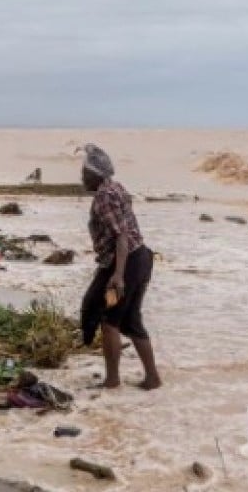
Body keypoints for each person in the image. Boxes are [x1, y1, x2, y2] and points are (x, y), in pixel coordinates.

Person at [79, 143, 161, 390]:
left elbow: (122, 237)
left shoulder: (104, 197)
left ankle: (112, 381)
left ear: (96, 174)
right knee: (131, 319)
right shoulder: (117, 188)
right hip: (142, 257)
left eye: (84, 173)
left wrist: (117, 275)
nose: (82, 178)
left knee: (109, 319)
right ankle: (152, 378)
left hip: (127, 263)